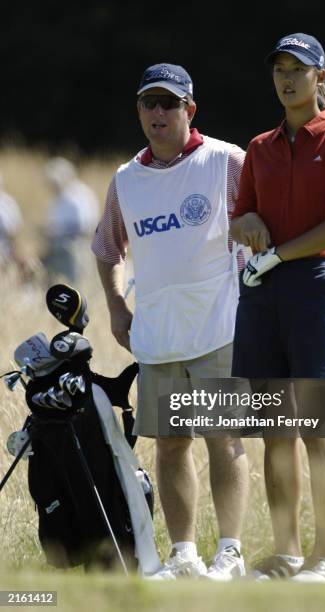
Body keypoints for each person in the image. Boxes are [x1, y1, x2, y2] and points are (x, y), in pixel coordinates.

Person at [92, 63, 249, 580]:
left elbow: (263, 222)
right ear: (139, 110)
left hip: (219, 325)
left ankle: (229, 551)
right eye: (148, 103)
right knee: (172, 444)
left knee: (223, 439)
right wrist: (117, 307)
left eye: (169, 103)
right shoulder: (126, 179)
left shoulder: (225, 161)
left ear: (190, 110)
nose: (158, 113)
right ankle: (184, 554)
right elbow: (107, 247)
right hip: (158, 335)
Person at [230, 33, 325, 582]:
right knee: (274, 427)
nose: (287, 79)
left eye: (299, 70)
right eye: (280, 69)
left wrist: (280, 251)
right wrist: (250, 225)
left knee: (318, 425)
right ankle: (286, 553)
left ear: (320, 78)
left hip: (312, 287)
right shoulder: (259, 147)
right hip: (262, 293)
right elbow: (240, 217)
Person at [42, 156, 99, 285]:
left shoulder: (78, 196)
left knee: (75, 284)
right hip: (59, 249)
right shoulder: (62, 196)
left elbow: (85, 225)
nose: (52, 187)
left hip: (75, 249)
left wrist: (58, 231)